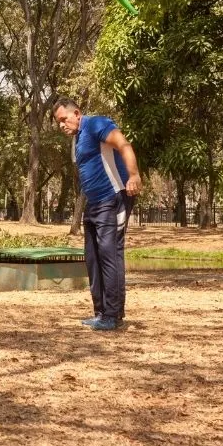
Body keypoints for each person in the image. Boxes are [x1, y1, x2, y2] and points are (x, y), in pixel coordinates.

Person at [53, 97, 142, 331]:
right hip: (94, 203)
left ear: (77, 113)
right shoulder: (77, 139)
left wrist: (133, 176)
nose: (62, 125)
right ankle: (101, 312)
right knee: (93, 256)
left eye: (64, 119)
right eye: (58, 122)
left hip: (113, 198)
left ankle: (113, 315)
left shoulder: (95, 124)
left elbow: (123, 144)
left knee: (109, 254)